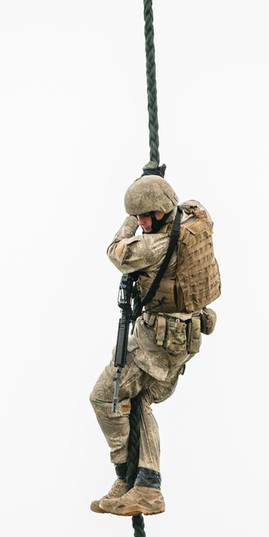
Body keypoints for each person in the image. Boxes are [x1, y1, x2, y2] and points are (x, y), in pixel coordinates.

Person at [88, 167, 220, 516]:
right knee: (139, 400)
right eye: (139, 217)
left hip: (158, 343)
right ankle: (145, 484)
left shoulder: (157, 245)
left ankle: (125, 474)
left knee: (106, 396)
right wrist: (149, 187)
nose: (143, 222)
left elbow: (117, 251)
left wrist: (128, 222)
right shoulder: (194, 216)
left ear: (162, 211)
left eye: (146, 216)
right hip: (184, 337)